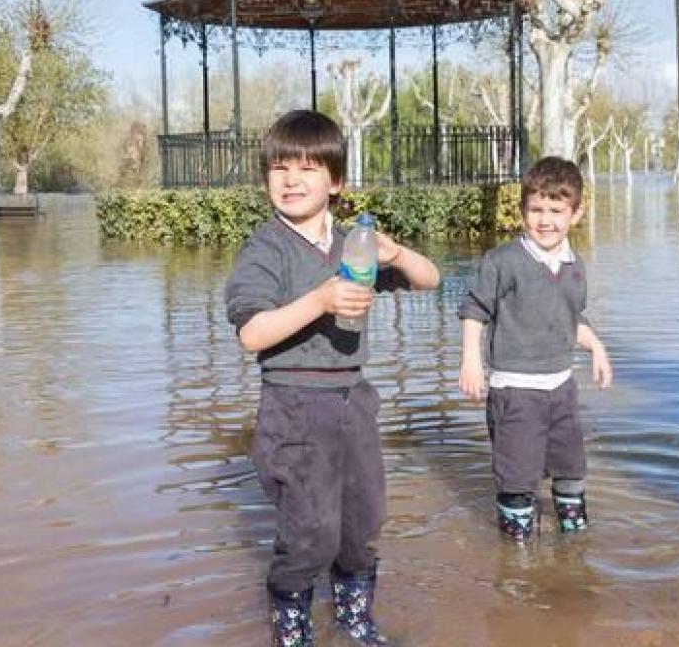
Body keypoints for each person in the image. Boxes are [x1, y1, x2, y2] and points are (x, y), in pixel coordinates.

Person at [224, 110, 442, 647]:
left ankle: (354, 619)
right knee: (309, 533)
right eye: (279, 169)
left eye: (307, 168)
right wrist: (319, 300)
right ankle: (293, 625)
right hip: (294, 407)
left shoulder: (355, 244)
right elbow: (252, 333)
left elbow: (430, 280)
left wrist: (399, 254)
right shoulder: (265, 249)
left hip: (354, 402)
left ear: (336, 181)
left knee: (363, 523)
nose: (291, 180)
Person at [458, 156, 613, 541]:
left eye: (556, 211)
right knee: (517, 478)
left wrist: (596, 348)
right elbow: (474, 311)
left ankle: (574, 549)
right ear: (523, 210)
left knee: (572, 471)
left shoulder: (573, 265)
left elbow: (572, 316)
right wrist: (471, 362)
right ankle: (517, 562)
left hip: (561, 391)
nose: (545, 220)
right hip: (515, 390)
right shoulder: (503, 261)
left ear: (575, 214)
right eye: (536, 209)